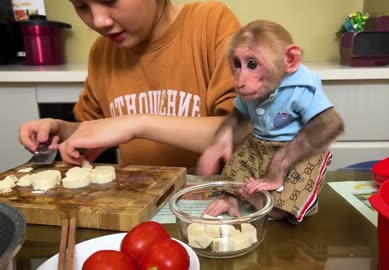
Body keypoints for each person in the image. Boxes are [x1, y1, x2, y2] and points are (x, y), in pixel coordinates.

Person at [18, 0, 241, 169]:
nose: (98, 21)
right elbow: (98, 131)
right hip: (138, 202)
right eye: (82, 6)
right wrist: (63, 130)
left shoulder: (211, 23)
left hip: (209, 206)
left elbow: (242, 134)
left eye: (109, 0)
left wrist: (136, 125)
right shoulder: (101, 52)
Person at [197, 20, 344, 223]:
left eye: (252, 64)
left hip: (295, 150)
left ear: (289, 60)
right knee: (239, 161)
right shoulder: (252, 87)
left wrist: (280, 163)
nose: (240, 80)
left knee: (300, 177)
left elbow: (331, 124)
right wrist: (219, 142)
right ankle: (232, 198)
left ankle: (274, 207)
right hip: (259, 143)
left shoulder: (300, 88)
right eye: (237, 64)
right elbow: (237, 117)